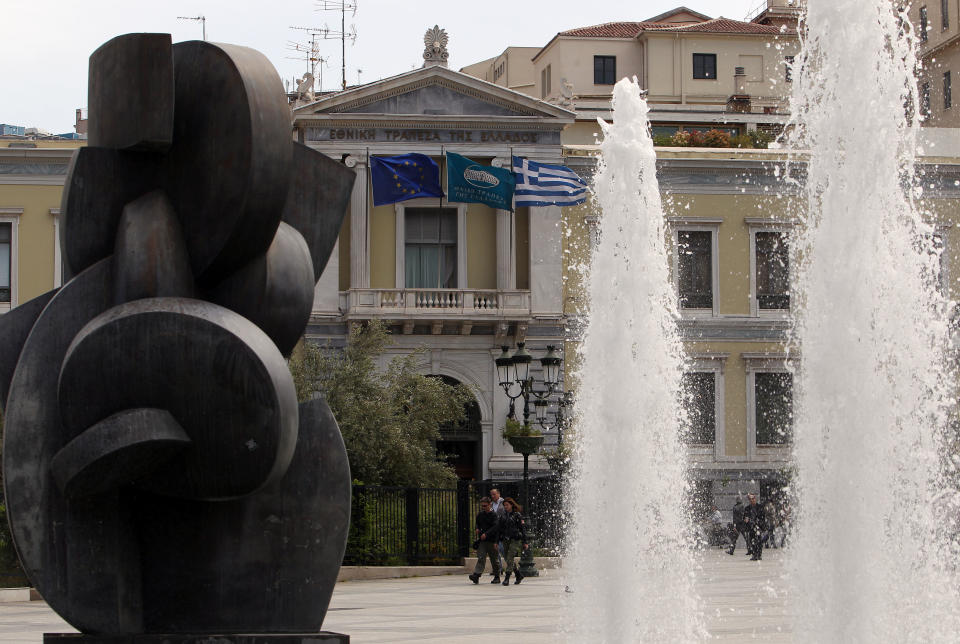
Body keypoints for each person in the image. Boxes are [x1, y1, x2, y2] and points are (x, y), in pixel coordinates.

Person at [468, 497, 501, 584]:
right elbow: (477, 524)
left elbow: (495, 527)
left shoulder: (494, 515)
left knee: (494, 559)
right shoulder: (480, 514)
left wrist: (487, 534)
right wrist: (477, 529)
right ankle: (477, 575)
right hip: (482, 541)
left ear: (489, 504)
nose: (483, 507)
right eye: (482, 506)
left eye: (485, 505)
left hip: (492, 540)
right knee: (481, 557)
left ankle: (497, 576)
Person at [498, 497, 528, 586]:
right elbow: (499, 528)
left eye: (507, 505)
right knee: (508, 558)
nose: (505, 507)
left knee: (510, 556)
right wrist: (497, 540)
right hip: (505, 539)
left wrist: (525, 541)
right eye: (504, 505)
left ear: (511, 505)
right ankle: (518, 575)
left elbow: (522, 529)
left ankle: (507, 578)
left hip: (515, 538)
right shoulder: (503, 515)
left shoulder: (517, 515)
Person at [742, 493, 766, 561]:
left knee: (759, 541)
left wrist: (760, 523)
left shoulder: (760, 507)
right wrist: (746, 520)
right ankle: (754, 554)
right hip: (751, 526)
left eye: (753, 498)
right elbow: (745, 517)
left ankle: (759, 554)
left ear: (755, 499)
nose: (752, 500)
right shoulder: (747, 508)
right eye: (750, 499)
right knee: (752, 541)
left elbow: (763, 516)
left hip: (758, 526)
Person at [489, 488, 506, 575]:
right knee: (495, 551)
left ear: (498, 494)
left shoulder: (504, 503)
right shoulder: (491, 505)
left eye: (494, 494)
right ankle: (498, 568)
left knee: (503, 549)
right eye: (491, 494)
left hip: (501, 530)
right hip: (494, 530)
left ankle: (512, 567)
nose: (492, 496)